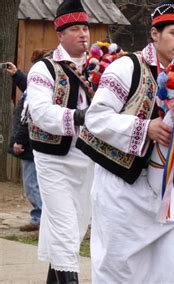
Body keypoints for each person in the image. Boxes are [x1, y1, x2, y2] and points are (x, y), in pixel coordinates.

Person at [80, 0, 174, 282]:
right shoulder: (127, 67)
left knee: (172, 272)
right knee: (119, 272)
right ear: (155, 34)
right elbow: (95, 118)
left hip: (168, 196)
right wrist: (145, 128)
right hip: (122, 192)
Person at [26, 0, 94, 282]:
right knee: (65, 228)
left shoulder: (100, 67)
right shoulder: (44, 69)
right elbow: (40, 112)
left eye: (86, 28)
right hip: (53, 159)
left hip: (88, 159)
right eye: (76, 28)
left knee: (73, 229)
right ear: (60, 34)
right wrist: (79, 116)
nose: (83, 34)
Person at [5, 62, 42, 232]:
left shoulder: (36, 93)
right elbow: (30, 84)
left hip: (29, 146)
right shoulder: (36, 87)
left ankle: (39, 218)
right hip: (32, 145)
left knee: (31, 184)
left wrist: (19, 142)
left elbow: (27, 119)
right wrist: (16, 74)